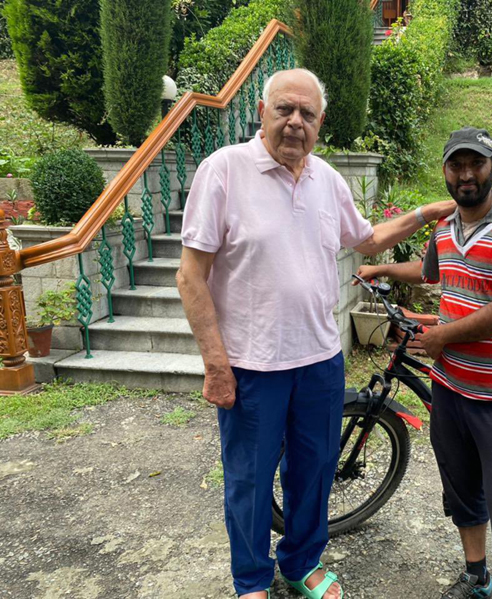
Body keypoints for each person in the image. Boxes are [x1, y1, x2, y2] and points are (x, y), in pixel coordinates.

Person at [176, 68, 455, 599]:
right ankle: (251, 581)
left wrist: (425, 213)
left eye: (307, 113)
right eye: (285, 109)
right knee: (250, 479)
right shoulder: (224, 171)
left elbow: (367, 239)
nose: (295, 122)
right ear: (262, 113)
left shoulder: (326, 179)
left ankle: (302, 562)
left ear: (320, 123)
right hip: (253, 364)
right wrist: (216, 364)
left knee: (315, 469)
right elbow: (191, 276)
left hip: (320, 360)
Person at [356, 127, 492, 599]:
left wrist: (440, 336)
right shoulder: (446, 228)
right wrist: (380, 269)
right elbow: (429, 272)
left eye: (476, 164)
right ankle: (476, 575)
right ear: (444, 171)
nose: (466, 174)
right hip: (450, 388)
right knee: (462, 492)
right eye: (456, 165)